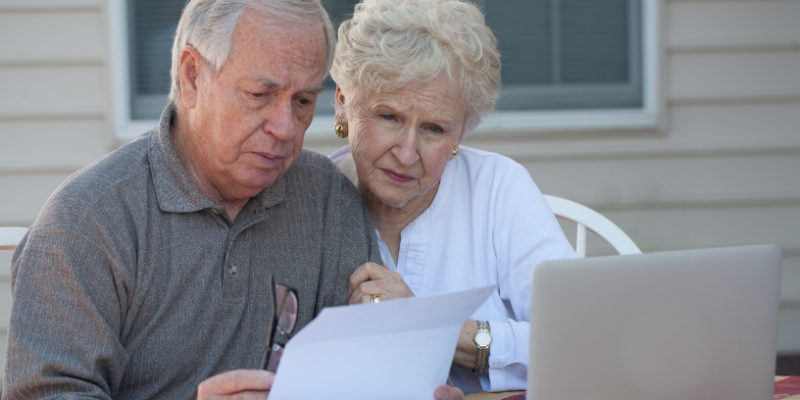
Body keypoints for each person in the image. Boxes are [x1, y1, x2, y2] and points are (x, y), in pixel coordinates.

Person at [2, 1, 464, 399]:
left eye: (303, 102)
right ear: (192, 77)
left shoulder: (326, 200)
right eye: (259, 95)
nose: (285, 127)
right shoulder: (87, 224)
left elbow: (365, 376)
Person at [329, 0, 578, 394]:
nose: (407, 153)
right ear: (344, 101)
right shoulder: (309, 203)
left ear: (461, 133)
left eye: (434, 128)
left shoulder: (498, 188)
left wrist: (437, 330)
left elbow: (580, 336)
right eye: (389, 116)